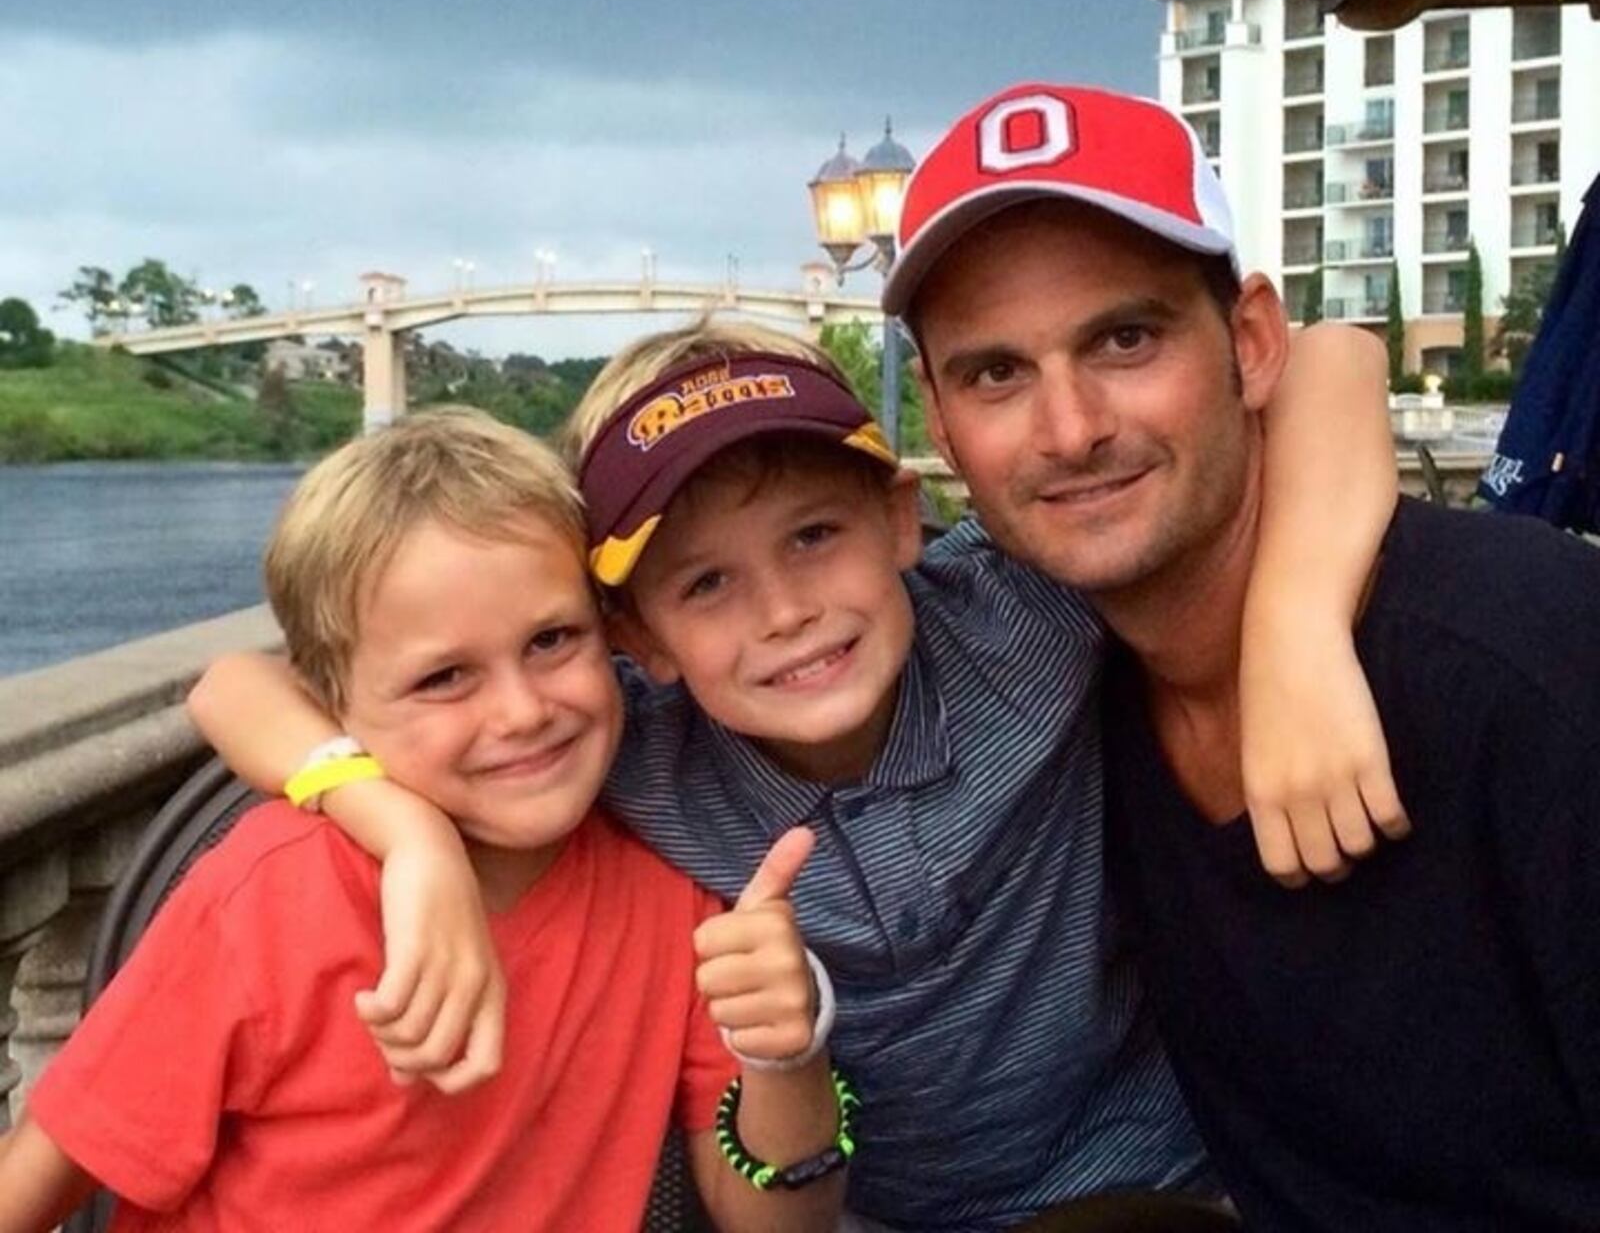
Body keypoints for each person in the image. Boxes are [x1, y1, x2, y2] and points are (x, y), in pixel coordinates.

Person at [186, 309, 1398, 1232]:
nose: (783, 613)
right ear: (638, 635)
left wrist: (1293, 626)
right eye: (705, 582)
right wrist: (401, 834)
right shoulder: (629, 747)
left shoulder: (1017, 617)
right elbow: (235, 686)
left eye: (814, 536)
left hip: (1154, 1179)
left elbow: (1333, 356)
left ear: (899, 521)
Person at [889, 79, 1600, 1232]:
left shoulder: (1532, 669)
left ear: (1252, 342)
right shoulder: (1044, 674)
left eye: (1124, 338)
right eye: (996, 373)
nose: (1069, 429)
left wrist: (1298, 622)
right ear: (936, 416)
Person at [0, 410, 847, 1233]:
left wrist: (785, 1053)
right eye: (444, 677)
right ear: (332, 704)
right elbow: (41, 1176)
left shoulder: (678, 898)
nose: (521, 711)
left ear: (611, 637)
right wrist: (415, 838)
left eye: (553, 640)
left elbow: (778, 1224)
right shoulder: (271, 894)